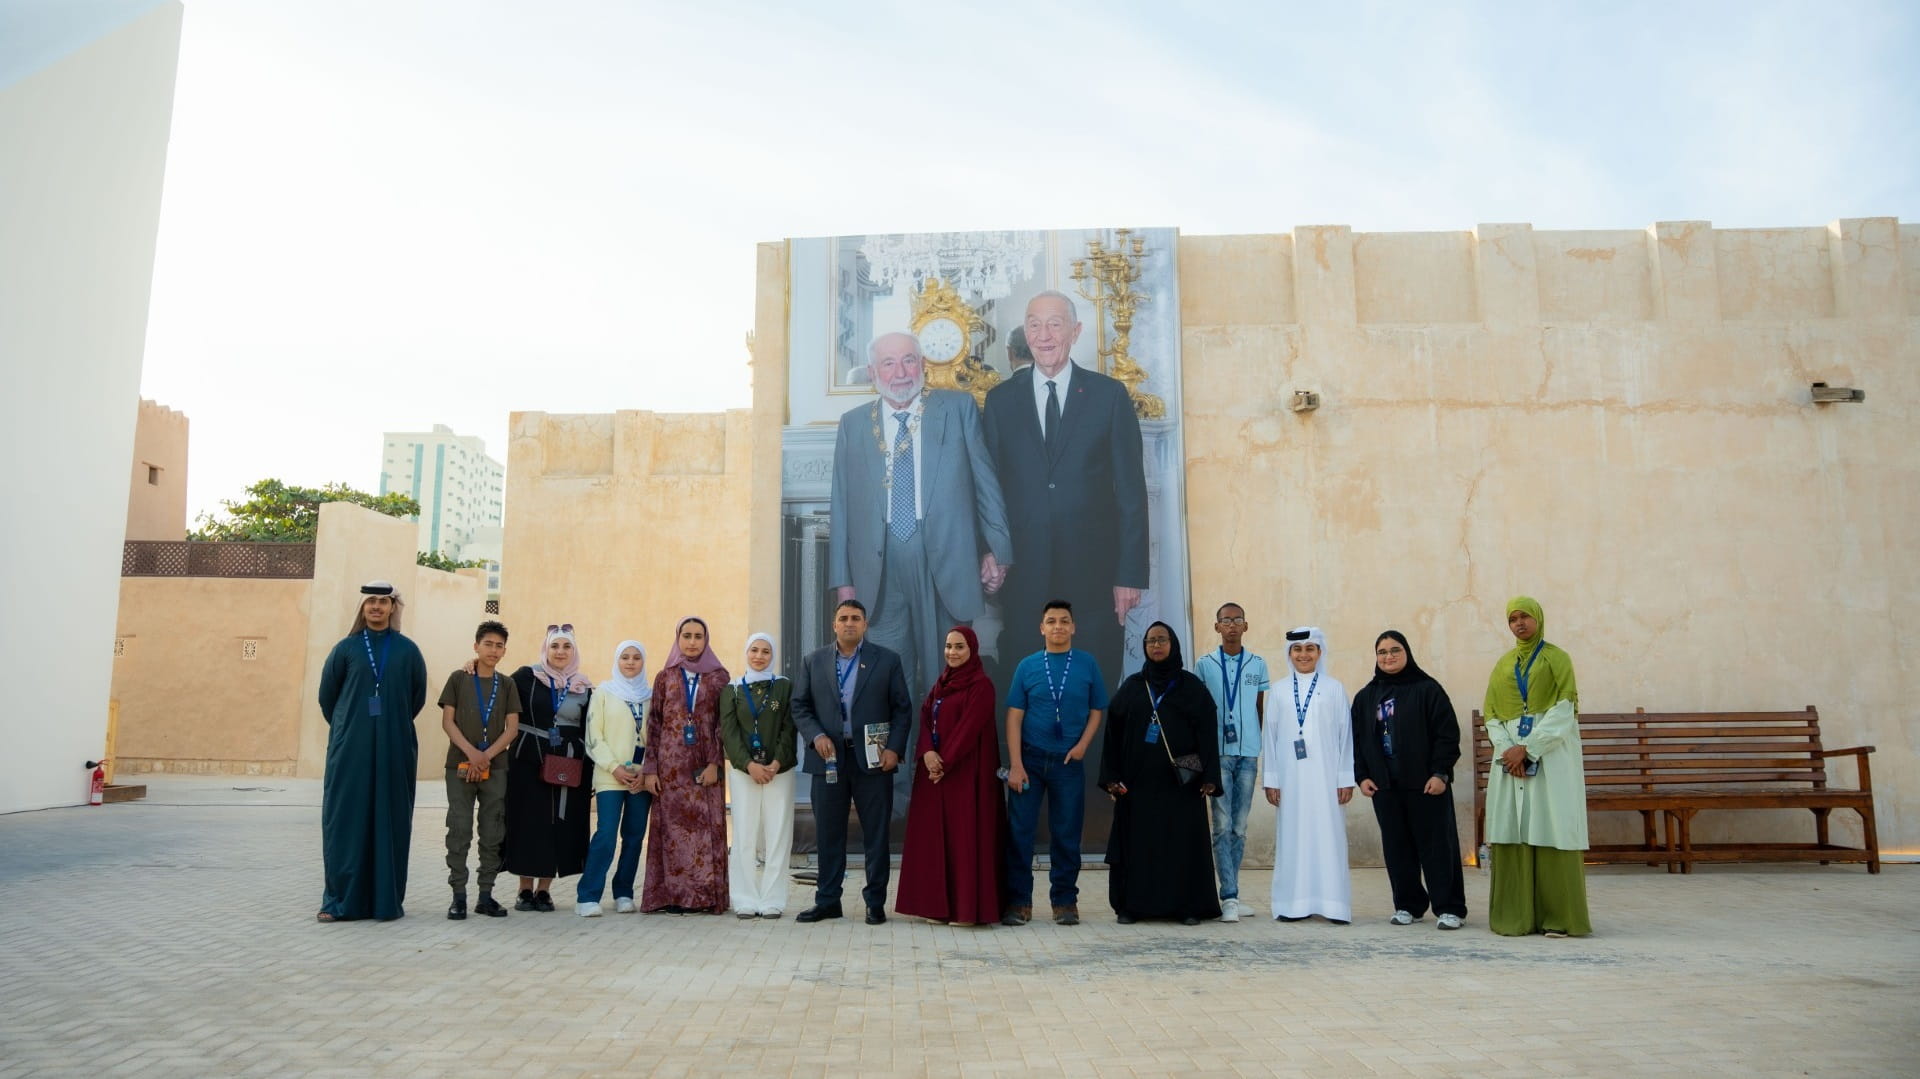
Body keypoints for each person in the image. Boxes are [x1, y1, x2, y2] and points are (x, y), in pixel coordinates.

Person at [828, 331, 1013, 702]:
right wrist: (843, 580)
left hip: (948, 561)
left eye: (909, 360)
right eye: (889, 363)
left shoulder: (957, 408)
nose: (900, 372)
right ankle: (900, 759)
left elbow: (986, 486)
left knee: (948, 677)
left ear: (923, 365)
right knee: (886, 681)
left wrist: (999, 550)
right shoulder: (853, 423)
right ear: (872, 371)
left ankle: (945, 759)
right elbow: (841, 504)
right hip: (877, 573)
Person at [983, 290, 1148, 704]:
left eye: (1054, 323)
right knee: (1028, 686)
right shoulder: (1001, 401)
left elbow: (1131, 491)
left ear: (1074, 332)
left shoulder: (1108, 396)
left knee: (1094, 683)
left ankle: (1096, 770)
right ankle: (1028, 769)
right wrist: (989, 550)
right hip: (1024, 571)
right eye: (1034, 324)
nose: (1043, 335)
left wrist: (1129, 574)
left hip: (1094, 573)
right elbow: (989, 488)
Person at [790, 599, 912, 925]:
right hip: (828, 760)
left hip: (872, 761)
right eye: (843, 618)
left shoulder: (886, 661)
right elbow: (800, 706)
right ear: (834, 625)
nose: (849, 623)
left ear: (865, 624)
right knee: (829, 835)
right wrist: (816, 736)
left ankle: (875, 902)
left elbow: (902, 709)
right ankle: (828, 901)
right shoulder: (813, 661)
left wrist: (894, 750)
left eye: (855, 618)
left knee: (875, 835)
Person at [315, 580, 428, 922]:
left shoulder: (408, 651)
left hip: (394, 751)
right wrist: (352, 729)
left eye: (383, 601)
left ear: (393, 607)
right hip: (351, 751)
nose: (376, 607)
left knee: (389, 822)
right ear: (363, 608)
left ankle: (385, 901)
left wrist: (388, 727)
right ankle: (340, 902)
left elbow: (416, 698)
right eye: (370, 602)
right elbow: (327, 698)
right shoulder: (346, 649)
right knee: (345, 822)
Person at [1483, 596, 1591, 938]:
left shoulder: (1557, 659)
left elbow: (1563, 710)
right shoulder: (1503, 666)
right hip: (1509, 760)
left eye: (1525, 617)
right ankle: (1516, 917)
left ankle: (1558, 917)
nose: (1519, 624)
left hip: (1549, 756)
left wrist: (1528, 750)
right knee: (1514, 826)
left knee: (1551, 824)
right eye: (1513, 618)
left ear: (1538, 619)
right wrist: (1508, 751)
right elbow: (1492, 716)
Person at [1100, 622, 1222, 925]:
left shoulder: (1191, 687)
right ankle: (1131, 907)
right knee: (1138, 845)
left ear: (1173, 644)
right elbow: (1112, 734)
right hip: (1137, 787)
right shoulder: (1132, 686)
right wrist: (1112, 777)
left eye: (1162, 640)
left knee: (1180, 845)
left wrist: (1209, 776)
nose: (1156, 645)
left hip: (1180, 785)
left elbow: (1207, 732)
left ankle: (1187, 907)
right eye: (1151, 640)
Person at [1351, 630, 1467, 930]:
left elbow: (1447, 735)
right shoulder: (1366, 696)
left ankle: (1449, 907)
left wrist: (1440, 773)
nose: (1388, 656)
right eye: (1382, 652)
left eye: (1395, 650)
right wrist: (1362, 776)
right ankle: (1407, 905)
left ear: (1407, 653)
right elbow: (1358, 740)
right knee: (1397, 848)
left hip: (1426, 784)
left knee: (1437, 847)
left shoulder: (1428, 690)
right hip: (1384, 787)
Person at [1002, 600, 1108, 927]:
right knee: (1020, 834)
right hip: (1030, 760)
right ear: (1042, 628)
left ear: (1074, 627)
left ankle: (1065, 902)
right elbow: (1014, 718)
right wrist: (1016, 765)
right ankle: (1019, 903)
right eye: (1051, 621)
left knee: (1066, 833)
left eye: (1064, 621)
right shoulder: (1028, 666)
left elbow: (1097, 709)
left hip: (1068, 763)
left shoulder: (1087, 664)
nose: (1058, 626)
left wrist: (1082, 747)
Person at [895, 626, 1004, 927]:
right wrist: (928, 753)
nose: (952, 653)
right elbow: (925, 720)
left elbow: (968, 729)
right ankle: (936, 907)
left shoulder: (981, 686)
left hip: (965, 776)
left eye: (959, 647)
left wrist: (944, 763)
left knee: (963, 839)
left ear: (972, 650)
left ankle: (966, 910)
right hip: (935, 777)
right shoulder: (940, 684)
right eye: (948, 646)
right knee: (935, 841)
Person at [1262, 626, 1355, 924]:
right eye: (1298, 649)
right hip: (1290, 781)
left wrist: (1344, 778)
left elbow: (1345, 737)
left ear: (1319, 652)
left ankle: (1333, 905)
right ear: (1289, 654)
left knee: (1330, 838)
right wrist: (1271, 780)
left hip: (1327, 780)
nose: (1304, 655)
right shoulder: (1276, 691)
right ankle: (1292, 904)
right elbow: (1270, 739)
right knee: (1293, 838)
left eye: (1310, 649)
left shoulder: (1334, 688)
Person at [639, 617, 731, 914]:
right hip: (670, 770)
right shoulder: (664, 677)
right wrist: (650, 769)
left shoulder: (719, 677)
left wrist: (716, 763)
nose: (692, 642)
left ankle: (704, 897)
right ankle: (672, 897)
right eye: (687, 636)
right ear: (677, 639)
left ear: (707, 640)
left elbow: (722, 725)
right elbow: (654, 725)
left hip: (704, 768)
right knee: (671, 834)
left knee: (704, 833)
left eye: (698, 636)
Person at [502, 625, 593, 913]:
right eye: (555, 646)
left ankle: (544, 890)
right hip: (530, 758)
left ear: (574, 651)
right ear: (546, 649)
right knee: (529, 822)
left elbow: (588, 727)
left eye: (566, 647)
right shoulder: (526, 677)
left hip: (568, 762)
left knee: (558, 824)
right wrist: (473, 664)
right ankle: (524, 890)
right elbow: (498, 689)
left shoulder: (583, 686)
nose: (560, 652)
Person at [439, 619, 522, 920]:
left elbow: (511, 728)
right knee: (459, 828)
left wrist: (486, 755)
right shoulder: (459, 679)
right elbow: (448, 721)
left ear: (504, 651)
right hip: (459, 765)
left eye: (499, 645)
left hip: (495, 768)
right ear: (476, 646)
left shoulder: (508, 684)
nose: (493, 649)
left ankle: (485, 895)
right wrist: (472, 753)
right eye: (488, 643)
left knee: (492, 831)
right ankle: (458, 896)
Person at [1193, 602, 1269, 923]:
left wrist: (1253, 740)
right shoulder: (1205, 665)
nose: (1232, 626)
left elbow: (1260, 709)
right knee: (1222, 825)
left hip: (1248, 753)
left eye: (1238, 620)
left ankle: (1233, 890)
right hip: (1219, 754)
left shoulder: (1258, 664)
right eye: (1226, 620)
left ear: (1246, 626)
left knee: (1240, 826)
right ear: (1217, 627)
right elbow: (1198, 710)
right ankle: (1229, 896)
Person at [719, 633, 798, 918]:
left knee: (778, 833)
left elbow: (790, 728)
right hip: (744, 772)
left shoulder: (784, 686)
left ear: (772, 655)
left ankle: (773, 899)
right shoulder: (732, 690)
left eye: (765, 651)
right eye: (754, 650)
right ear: (746, 652)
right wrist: (748, 764)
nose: (759, 656)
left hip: (780, 771)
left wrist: (776, 762)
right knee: (744, 833)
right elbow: (729, 733)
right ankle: (744, 898)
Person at [577, 639, 654, 917]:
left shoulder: (651, 695)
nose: (631, 662)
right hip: (610, 777)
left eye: (636, 657)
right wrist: (615, 767)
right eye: (625, 657)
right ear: (617, 661)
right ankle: (587, 895)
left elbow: (657, 738)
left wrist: (644, 770)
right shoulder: (604, 693)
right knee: (606, 835)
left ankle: (623, 892)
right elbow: (594, 736)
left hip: (641, 779)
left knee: (634, 837)